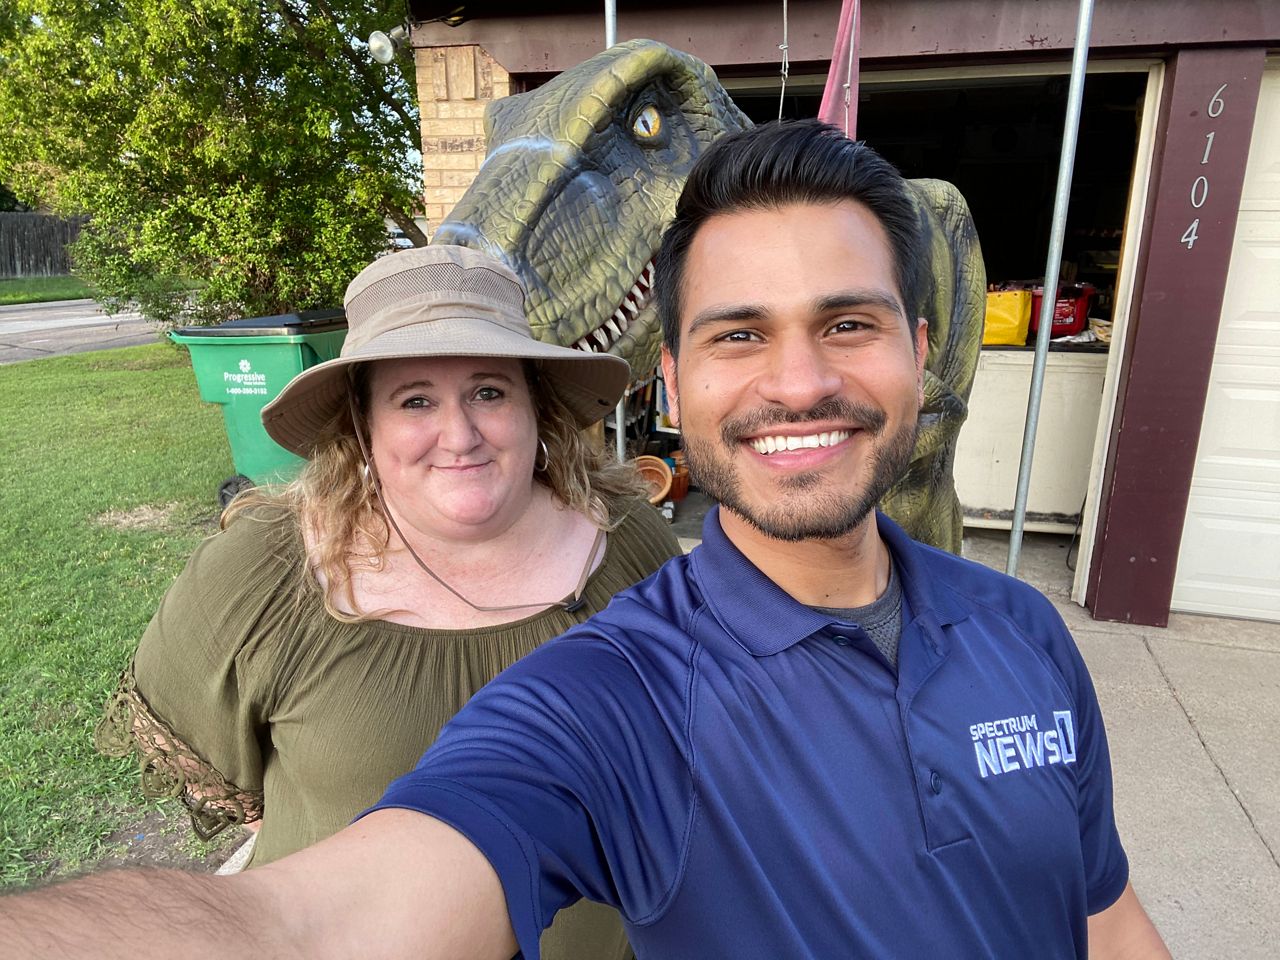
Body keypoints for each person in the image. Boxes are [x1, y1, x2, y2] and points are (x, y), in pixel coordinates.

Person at [1, 122, 1169, 960]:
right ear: (676, 379)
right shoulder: (612, 691)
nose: (799, 380)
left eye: (847, 324)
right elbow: (305, 923)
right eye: (738, 335)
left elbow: (1102, 914)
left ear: (919, 348)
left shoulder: (1020, 630)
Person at [90, 244, 681, 959]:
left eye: (489, 391)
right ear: (362, 424)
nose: (459, 435)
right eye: (416, 400)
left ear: (535, 406)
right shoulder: (262, 572)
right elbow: (227, 790)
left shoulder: (627, 536)